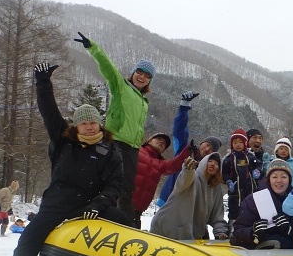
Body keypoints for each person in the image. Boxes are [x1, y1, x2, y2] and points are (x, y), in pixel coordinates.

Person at [0, 63, 128, 256]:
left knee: (127, 223)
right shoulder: (64, 140)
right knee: (23, 253)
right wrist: (42, 82)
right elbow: (48, 111)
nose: (89, 126)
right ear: (76, 125)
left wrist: (98, 205)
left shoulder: (112, 150)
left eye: (93, 121)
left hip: (90, 206)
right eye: (83, 122)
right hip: (55, 207)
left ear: (99, 123)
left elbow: (116, 184)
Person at [74, 32, 153, 224]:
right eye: (139, 72)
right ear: (134, 72)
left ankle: (126, 223)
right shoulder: (121, 86)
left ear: (150, 80)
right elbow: (107, 68)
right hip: (115, 141)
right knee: (108, 182)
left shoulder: (144, 102)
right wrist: (92, 47)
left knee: (128, 188)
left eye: (147, 75)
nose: (142, 77)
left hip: (133, 148)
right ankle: (92, 216)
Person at [156, 92, 221, 207]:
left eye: (211, 149)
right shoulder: (185, 151)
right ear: (201, 143)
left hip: (188, 210)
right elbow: (179, 129)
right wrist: (184, 107)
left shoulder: (209, 168)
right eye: (206, 144)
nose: (206, 149)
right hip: (167, 202)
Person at [149, 153, 229, 240]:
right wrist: (188, 170)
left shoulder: (216, 189)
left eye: (216, 163)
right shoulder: (192, 177)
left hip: (191, 233)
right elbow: (184, 181)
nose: (213, 164)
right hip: (165, 228)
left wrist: (220, 231)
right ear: (203, 163)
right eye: (209, 161)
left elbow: (217, 215)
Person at [230, 159, 293, 249]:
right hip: (258, 252)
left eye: (284, 177)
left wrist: (289, 229)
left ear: (289, 180)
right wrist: (252, 232)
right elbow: (237, 231)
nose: (279, 181)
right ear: (268, 179)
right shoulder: (253, 200)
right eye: (274, 177)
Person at [131, 132, 192, 229]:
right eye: (158, 139)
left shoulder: (161, 164)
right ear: (149, 140)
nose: (161, 142)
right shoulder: (136, 151)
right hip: (122, 202)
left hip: (138, 210)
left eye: (164, 143)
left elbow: (174, 165)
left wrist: (188, 150)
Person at [222, 129, 260, 227]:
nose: (237, 145)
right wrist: (228, 181)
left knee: (251, 208)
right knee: (234, 210)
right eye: (235, 143)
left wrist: (257, 171)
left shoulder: (250, 156)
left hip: (250, 189)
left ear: (245, 143)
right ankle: (233, 229)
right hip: (235, 192)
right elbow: (224, 172)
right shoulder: (228, 159)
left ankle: (252, 228)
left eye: (240, 142)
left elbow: (258, 165)